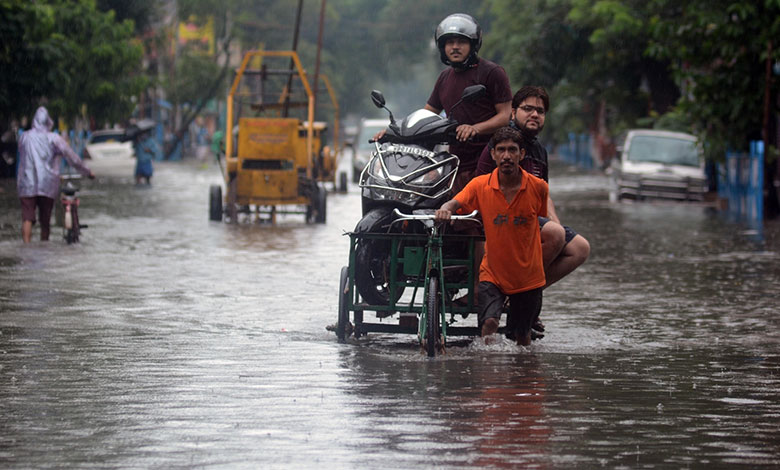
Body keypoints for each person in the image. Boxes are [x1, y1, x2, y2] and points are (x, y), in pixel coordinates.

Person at [476, 86, 590, 336]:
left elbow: (542, 193)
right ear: (514, 112)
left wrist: (556, 223)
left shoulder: (538, 150)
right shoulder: (503, 144)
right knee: (556, 236)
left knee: (579, 248)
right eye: (528, 109)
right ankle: (518, 295)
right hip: (502, 221)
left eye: (540, 111)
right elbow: (482, 188)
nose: (534, 115)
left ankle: (520, 295)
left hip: (531, 222)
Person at [435, 127, 548, 346]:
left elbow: (540, 217)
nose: (507, 156)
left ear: (521, 154)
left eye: (512, 150)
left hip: (528, 275)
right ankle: (488, 375)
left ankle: (521, 377)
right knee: (489, 325)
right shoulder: (480, 185)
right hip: (493, 272)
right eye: (501, 150)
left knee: (523, 337)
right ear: (493, 154)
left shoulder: (538, 187)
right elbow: (456, 201)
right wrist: (445, 209)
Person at [17, 106, 94, 243]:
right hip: (47, 184)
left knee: (27, 218)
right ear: (48, 122)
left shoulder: (24, 137)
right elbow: (72, 157)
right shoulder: (54, 138)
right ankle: (44, 246)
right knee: (45, 221)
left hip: (26, 184)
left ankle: (26, 247)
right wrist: (87, 172)